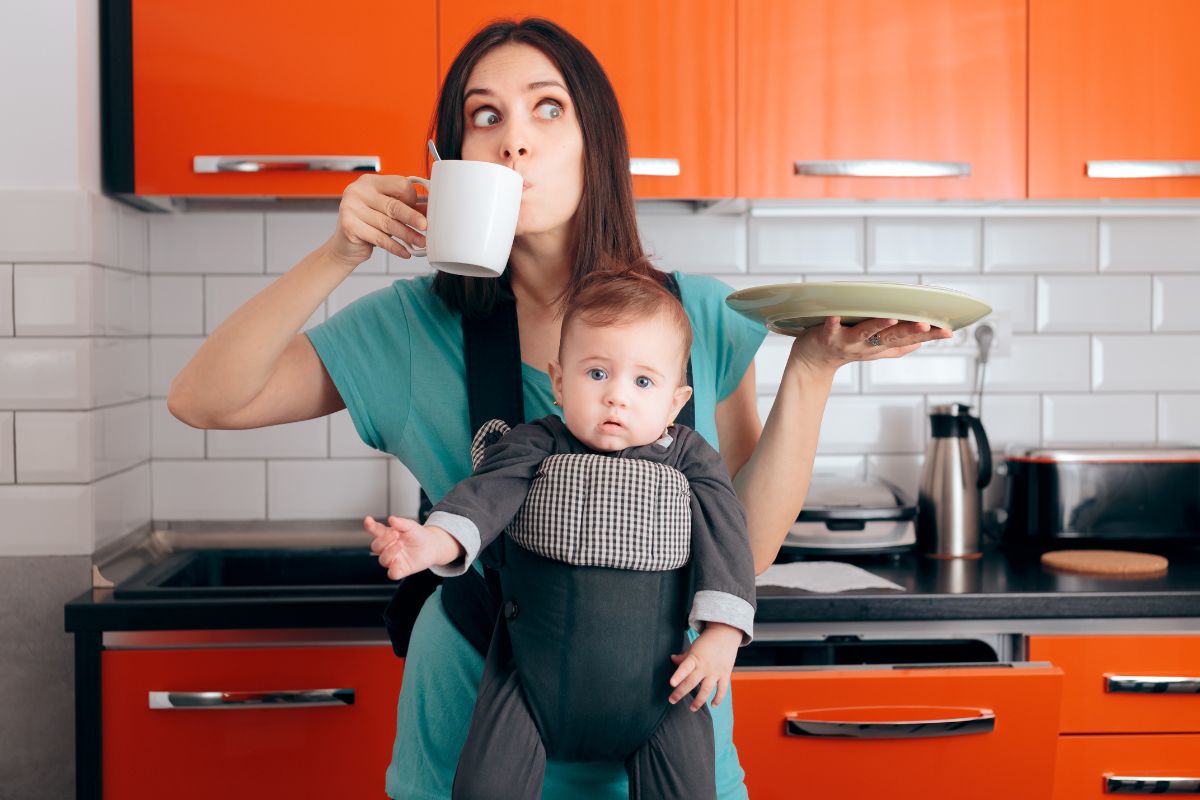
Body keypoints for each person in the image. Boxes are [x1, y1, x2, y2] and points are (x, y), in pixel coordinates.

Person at [166, 17, 950, 799]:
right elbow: (203, 399)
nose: (514, 142)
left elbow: (744, 551)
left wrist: (813, 369)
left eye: (547, 108)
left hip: (666, 736)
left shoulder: (697, 318)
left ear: (595, 142)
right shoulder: (410, 329)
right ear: (451, 160)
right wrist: (341, 249)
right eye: (485, 116)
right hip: (470, 742)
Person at [365, 269, 756, 799]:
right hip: (526, 681)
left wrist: (722, 636)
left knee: (688, 784)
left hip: (660, 690)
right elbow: (483, 499)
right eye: (597, 373)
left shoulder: (690, 459)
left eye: (643, 382)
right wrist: (431, 544)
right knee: (487, 783)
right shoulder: (535, 445)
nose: (616, 397)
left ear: (674, 400)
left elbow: (728, 540)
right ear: (559, 381)